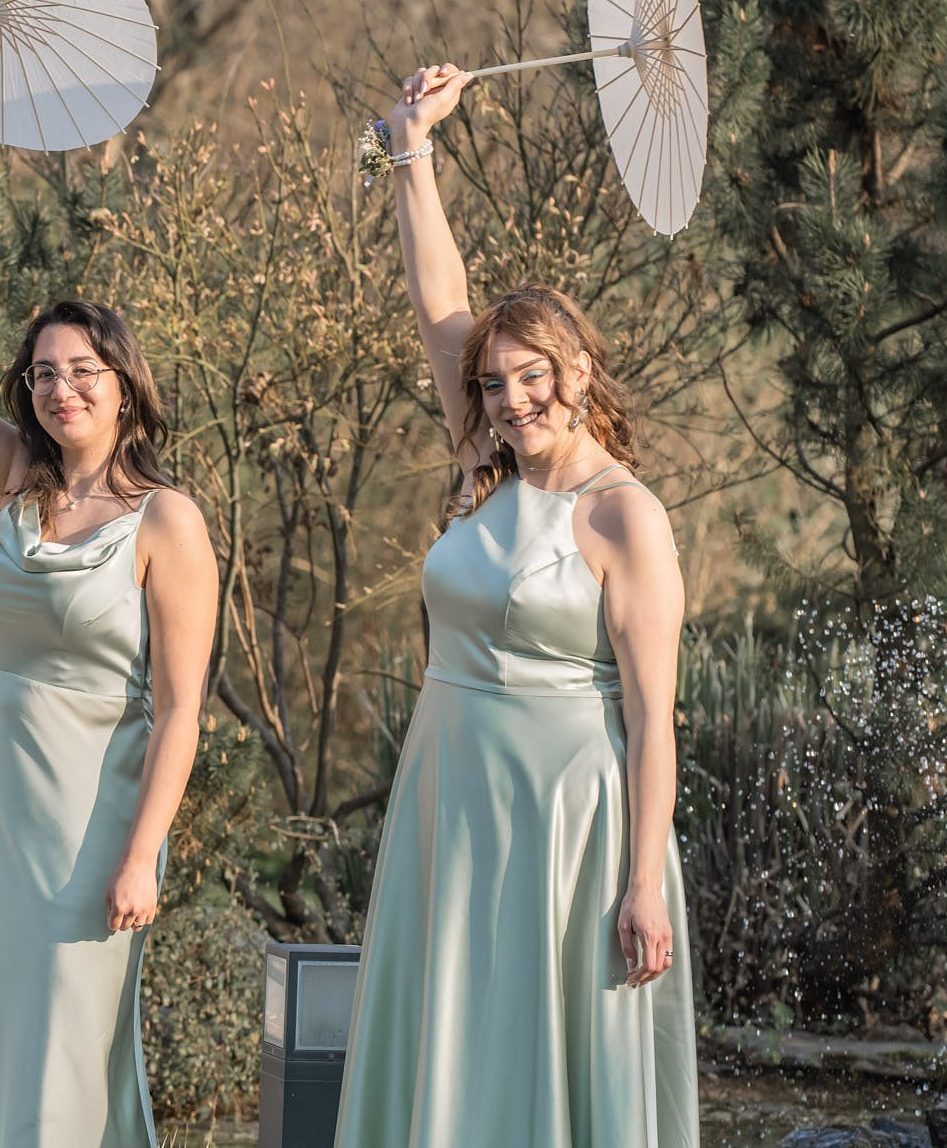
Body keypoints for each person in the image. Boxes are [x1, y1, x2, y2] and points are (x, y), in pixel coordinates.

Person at [333, 65, 698, 1147]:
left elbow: (651, 719)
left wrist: (641, 882)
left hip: (566, 824)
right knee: (448, 1042)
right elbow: (438, 298)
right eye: (491, 384)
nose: (510, 400)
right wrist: (411, 147)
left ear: (578, 371)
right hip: (449, 801)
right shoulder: (485, 459)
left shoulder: (623, 517)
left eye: (531, 377)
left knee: (544, 1060)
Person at [0, 120, 218, 1147]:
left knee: (62, 1053)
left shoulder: (166, 521)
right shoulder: (11, 484)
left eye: (82, 373)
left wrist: (142, 853)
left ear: (123, 386)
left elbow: (182, 710)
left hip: (88, 830)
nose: (58, 389)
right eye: (42, 374)